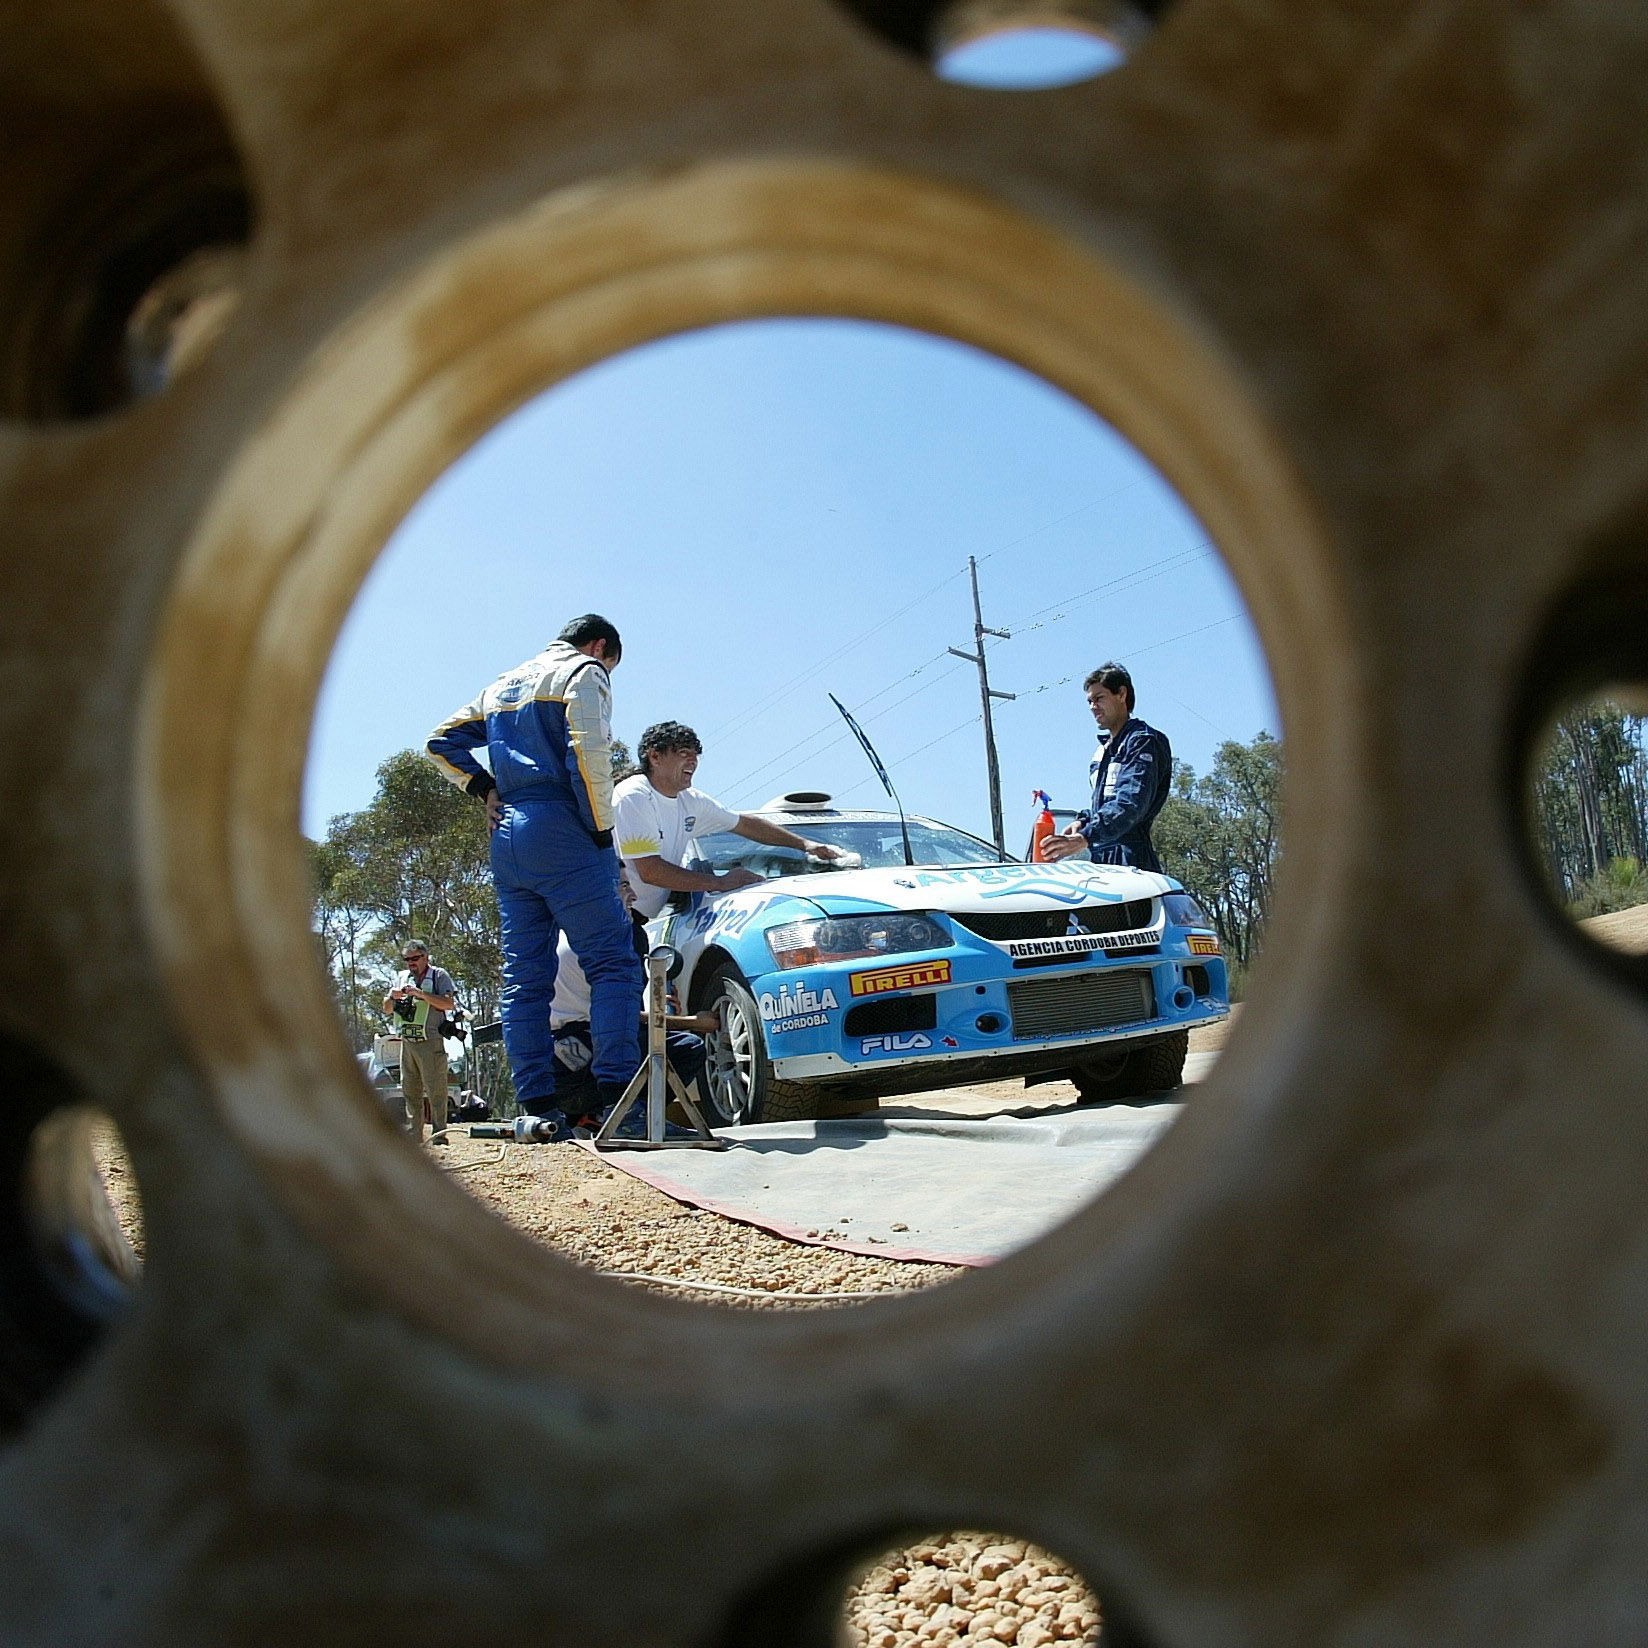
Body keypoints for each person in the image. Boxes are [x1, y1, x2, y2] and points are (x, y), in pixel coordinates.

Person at [426, 614, 642, 1139]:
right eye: (611, 660)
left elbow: (439, 743)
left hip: (510, 835)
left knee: (524, 978)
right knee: (613, 965)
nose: (607, 668)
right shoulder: (584, 672)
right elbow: (589, 754)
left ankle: (537, 1108)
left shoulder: (502, 684)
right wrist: (600, 831)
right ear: (598, 646)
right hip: (566, 826)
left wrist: (483, 789)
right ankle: (619, 1101)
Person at [612, 721, 846, 917]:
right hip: (613, 914)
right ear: (655, 756)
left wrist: (806, 844)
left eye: (696, 756)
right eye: (684, 754)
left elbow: (744, 824)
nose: (693, 762)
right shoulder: (635, 796)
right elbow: (650, 871)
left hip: (636, 915)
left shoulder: (690, 801)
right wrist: (720, 883)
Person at [1040, 662, 1172, 872]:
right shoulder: (1102, 751)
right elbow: (1104, 805)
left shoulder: (1143, 741)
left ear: (1121, 694)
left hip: (1131, 859)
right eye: (1090, 701)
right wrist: (1083, 821)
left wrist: (1086, 836)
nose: (1093, 706)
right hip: (1101, 859)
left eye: (1099, 698)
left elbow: (1130, 802)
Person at [382, 941, 457, 1144]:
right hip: (407, 1041)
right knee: (410, 1090)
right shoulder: (402, 978)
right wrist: (392, 996)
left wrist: (421, 995)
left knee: (436, 1091)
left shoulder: (439, 976)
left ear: (425, 956)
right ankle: (415, 1134)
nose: (411, 964)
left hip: (430, 1041)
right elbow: (387, 1009)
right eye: (407, 960)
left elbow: (448, 1003)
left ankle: (439, 1135)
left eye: (415, 958)